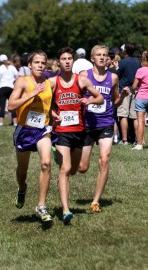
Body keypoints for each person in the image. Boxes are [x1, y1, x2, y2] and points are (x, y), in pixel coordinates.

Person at [49, 47, 104, 224]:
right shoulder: (53, 82)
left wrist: (89, 100)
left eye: (69, 59)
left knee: (74, 169)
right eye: (63, 58)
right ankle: (66, 210)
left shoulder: (81, 80)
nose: (67, 61)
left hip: (79, 131)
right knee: (65, 170)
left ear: (73, 61)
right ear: (58, 62)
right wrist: (51, 113)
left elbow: (100, 98)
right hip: (62, 132)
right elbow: (42, 102)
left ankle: (61, 162)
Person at [78, 45, 130, 212]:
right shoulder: (84, 75)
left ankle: (95, 201)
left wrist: (122, 96)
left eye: (105, 55)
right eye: (98, 55)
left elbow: (115, 102)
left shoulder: (113, 77)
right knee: (82, 168)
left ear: (108, 58)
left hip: (106, 123)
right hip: (87, 124)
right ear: (92, 58)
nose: (102, 57)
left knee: (104, 159)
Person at [8, 50, 54, 223]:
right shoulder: (22, 82)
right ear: (30, 65)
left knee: (46, 163)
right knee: (22, 170)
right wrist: (31, 94)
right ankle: (21, 188)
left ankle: (41, 206)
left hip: (43, 129)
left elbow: (47, 103)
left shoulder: (49, 83)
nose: (40, 66)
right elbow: (10, 106)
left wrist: (53, 113)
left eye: (43, 63)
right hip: (25, 130)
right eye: (37, 63)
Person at [117, 43, 141, 145]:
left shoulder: (122, 62)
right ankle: (136, 139)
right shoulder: (137, 62)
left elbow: (116, 74)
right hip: (135, 90)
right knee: (134, 116)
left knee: (123, 115)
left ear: (125, 51)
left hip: (124, 90)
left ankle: (125, 140)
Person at [0, 54, 19, 126]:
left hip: (2, 87)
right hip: (11, 87)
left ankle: (1, 122)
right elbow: (17, 77)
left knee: (2, 105)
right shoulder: (12, 67)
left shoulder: (0, 68)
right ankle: (15, 122)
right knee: (12, 105)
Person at [132, 50, 148, 150]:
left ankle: (140, 144)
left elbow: (134, 86)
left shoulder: (141, 70)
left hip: (141, 97)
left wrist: (136, 91)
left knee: (141, 121)